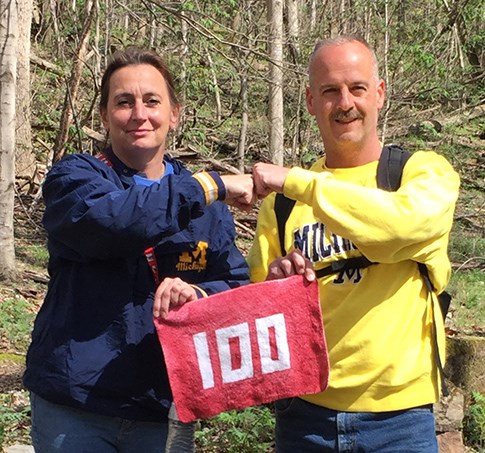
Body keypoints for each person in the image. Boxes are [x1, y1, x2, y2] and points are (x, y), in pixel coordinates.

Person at [23, 46, 254, 452]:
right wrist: (206, 186)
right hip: (76, 406)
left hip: (162, 406)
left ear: (175, 113)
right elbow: (111, 221)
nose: (139, 114)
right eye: (124, 102)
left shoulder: (208, 210)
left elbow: (234, 285)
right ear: (104, 115)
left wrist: (198, 295)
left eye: (152, 101)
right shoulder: (75, 177)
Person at [249, 35, 460, 452]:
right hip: (305, 417)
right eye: (330, 91)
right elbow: (261, 316)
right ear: (311, 101)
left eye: (357, 88)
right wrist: (279, 287)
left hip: (400, 421)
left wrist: (297, 180)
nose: (345, 102)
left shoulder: (419, 175)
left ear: (379, 94)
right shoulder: (283, 205)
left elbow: (399, 228)